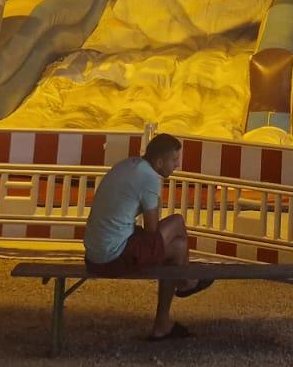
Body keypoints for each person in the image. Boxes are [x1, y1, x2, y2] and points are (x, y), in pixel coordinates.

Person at [83, 132, 213, 341]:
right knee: (177, 222)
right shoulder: (149, 177)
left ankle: (163, 323)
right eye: (174, 160)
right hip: (112, 257)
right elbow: (152, 230)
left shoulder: (128, 165)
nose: (177, 165)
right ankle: (186, 282)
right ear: (159, 162)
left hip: (94, 253)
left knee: (178, 247)